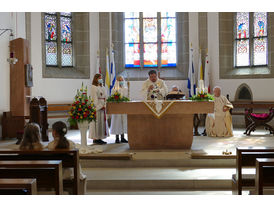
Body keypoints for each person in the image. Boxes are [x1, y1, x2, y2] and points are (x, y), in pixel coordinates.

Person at [47, 121, 87, 195]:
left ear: (54, 132)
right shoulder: (71, 144)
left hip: (56, 174)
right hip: (70, 174)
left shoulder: (50, 145)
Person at [89, 73, 109, 144]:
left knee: (101, 123)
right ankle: (96, 138)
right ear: (96, 79)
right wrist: (99, 106)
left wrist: (105, 105)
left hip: (103, 106)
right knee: (97, 123)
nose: (101, 79)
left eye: (101, 78)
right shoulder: (93, 87)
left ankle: (100, 137)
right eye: (99, 78)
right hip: (97, 108)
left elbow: (105, 97)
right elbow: (94, 98)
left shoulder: (102, 87)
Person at [110, 76, 128, 144]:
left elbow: (126, 97)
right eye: (120, 80)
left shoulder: (125, 89)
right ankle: (117, 138)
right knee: (117, 122)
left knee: (123, 122)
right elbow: (112, 97)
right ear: (117, 81)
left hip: (123, 108)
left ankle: (123, 137)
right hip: (116, 108)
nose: (121, 81)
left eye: (122, 80)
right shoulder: (114, 89)